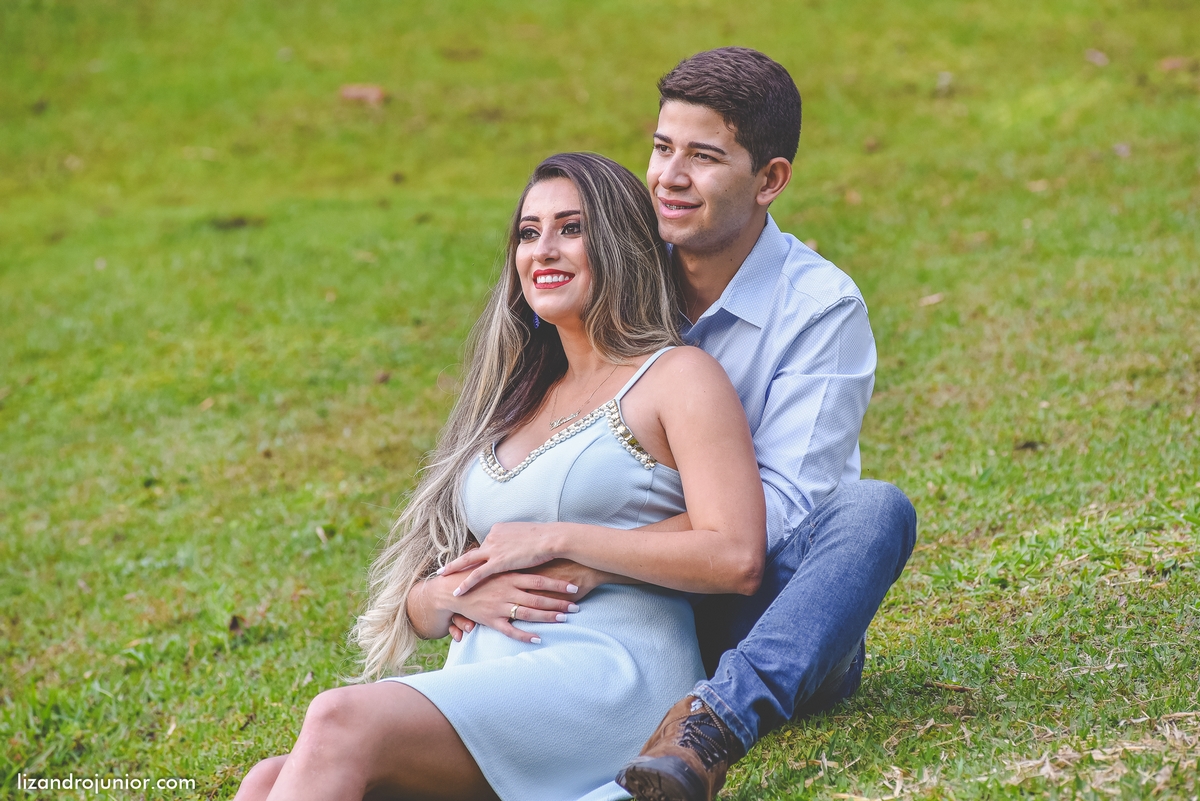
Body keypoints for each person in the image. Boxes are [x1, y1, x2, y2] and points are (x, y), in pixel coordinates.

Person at [446, 48, 919, 801]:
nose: (668, 176)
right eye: (663, 147)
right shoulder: (617, 270)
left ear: (770, 180)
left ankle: (711, 726)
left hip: (758, 614)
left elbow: (773, 523)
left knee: (873, 512)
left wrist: (589, 551)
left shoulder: (819, 311)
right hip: (610, 615)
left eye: (703, 156)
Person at [232, 152, 769, 801]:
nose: (544, 250)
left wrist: (560, 542)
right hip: (489, 670)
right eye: (529, 232)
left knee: (339, 718)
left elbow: (736, 554)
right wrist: (446, 599)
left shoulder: (676, 376)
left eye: (572, 228)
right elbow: (427, 596)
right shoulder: (513, 399)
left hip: (609, 674)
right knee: (266, 779)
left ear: (621, 242)